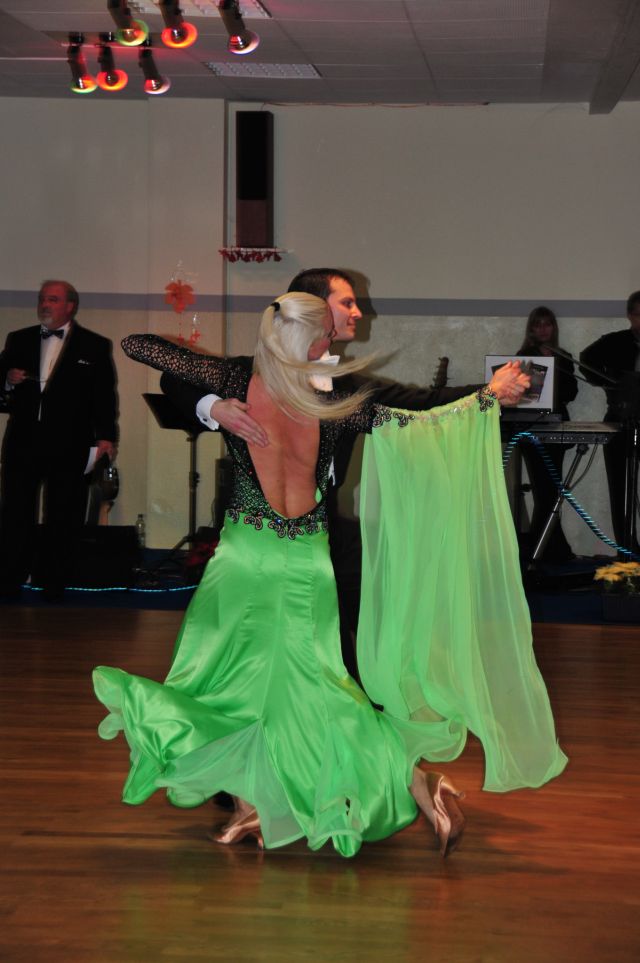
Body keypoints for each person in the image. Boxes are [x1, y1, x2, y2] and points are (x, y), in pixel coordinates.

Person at [93, 293, 566, 860]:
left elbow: (137, 344)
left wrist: (219, 405)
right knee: (314, 690)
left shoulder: (238, 379)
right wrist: (487, 396)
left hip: (246, 560)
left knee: (221, 684)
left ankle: (285, 800)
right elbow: (426, 421)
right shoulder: (341, 401)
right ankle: (370, 790)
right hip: (308, 565)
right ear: (318, 339)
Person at [161, 268, 481, 675]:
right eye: (347, 303)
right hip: (259, 532)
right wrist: (214, 407)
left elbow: (421, 401)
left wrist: (488, 393)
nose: (357, 312)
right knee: (269, 637)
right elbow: (173, 377)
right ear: (312, 310)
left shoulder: (346, 388)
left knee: (360, 607)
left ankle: (362, 690)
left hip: (323, 523)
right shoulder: (246, 374)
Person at [0, 280, 118, 601]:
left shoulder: (94, 345)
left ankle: (53, 581)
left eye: (52, 299)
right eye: (42, 299)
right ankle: (11, 577)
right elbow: (0, 381)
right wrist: (8, 381)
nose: (44, 304)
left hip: (70, 443)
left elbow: (104, 396)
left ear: (70, 306)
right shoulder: (19, 339)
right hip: (23, 441)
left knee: (63, 512)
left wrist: (107, 437)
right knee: (16, 510)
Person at [516, 306, 578, 562]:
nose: (543, 329)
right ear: (531, 329)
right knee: (544, 492)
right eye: (538, 324)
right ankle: (547, 551)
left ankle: (546, 550)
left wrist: (554, 381)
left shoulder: (564, 357)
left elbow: (571, 392)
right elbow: (524, 395)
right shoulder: (524, 357)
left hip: (556, 427)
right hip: (532, 429)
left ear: (554, 328)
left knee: (553, 491)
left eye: (547, 324)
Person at [580, 290, 640, 553]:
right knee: (620, 488)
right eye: (639, 315)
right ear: (629, 316)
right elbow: (585, 359)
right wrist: (607, 383)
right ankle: (627, 548)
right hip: (620, 419)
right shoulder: (615, 342)